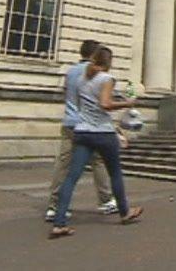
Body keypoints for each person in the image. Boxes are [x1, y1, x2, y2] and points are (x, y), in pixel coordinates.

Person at [50, 46, 143, 239]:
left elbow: (77, 104)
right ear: (108, 61)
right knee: (115, 173)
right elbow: (105, 104)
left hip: (82, 131)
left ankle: (59, 222)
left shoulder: (81, 79)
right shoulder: (107, 79)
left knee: (71, 178)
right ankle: (125, 212)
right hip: (103, 132)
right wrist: (128, 103)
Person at [45, 40, 118, 221]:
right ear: (95, 55)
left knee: (63, 164)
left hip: (69, 122)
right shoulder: (96, 73)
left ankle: (54, 205)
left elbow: (67, 95)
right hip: (90, 125)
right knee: (98, 162)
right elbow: (99, 102)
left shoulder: (70, 72)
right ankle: (106, 200)